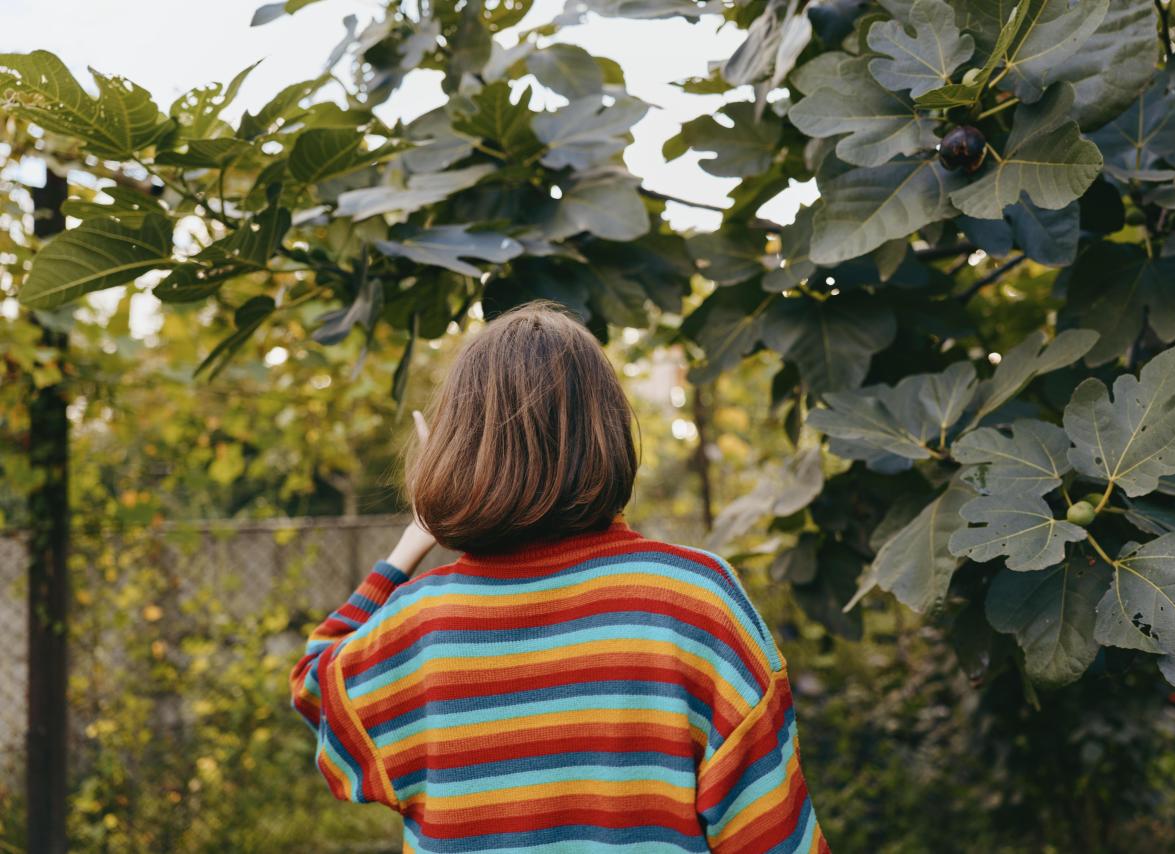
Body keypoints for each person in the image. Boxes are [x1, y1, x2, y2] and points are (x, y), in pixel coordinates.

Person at [290, 301, 829, 853]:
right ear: (608, 430)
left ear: (462, 448)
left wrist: (411, 543)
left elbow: (314, 686)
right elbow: (773, 836)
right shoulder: (696, 602)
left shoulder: (416, 626)